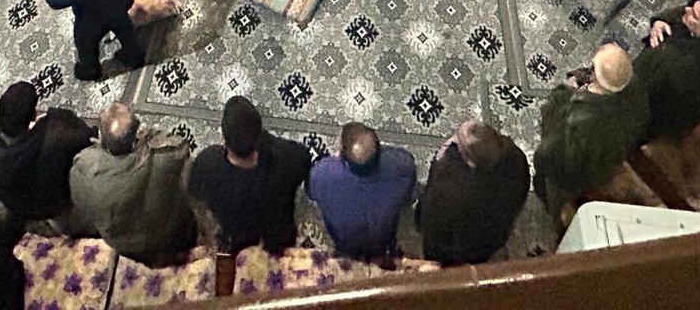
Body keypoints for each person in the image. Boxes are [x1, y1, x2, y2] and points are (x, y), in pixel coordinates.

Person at [68, 102, 197, 267]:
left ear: (101, 136)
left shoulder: (85, 166)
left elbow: (81, 202)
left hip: (126, 246)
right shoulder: (165, 153)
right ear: (135, 134)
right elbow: (181, 146)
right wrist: (148, 135)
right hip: (170, 235)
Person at [533, 45, 650, 223]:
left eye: (592, 65)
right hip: (603, 165)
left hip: (569, 174)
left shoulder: (577, 119)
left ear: (595, 74)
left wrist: (564, 93)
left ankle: (555, 219)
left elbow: (548, 153)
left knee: (554, 195)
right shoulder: (635, 91)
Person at [187, 96, 311, 255]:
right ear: (259, 134)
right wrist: (268, 140)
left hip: (232, 243)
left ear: (224, 138)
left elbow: (195, 196)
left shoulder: (207, 162)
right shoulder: (286, 158)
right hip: (276, 243)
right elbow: (304, 157)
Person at [0, 80, 95, 231]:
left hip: (19, 207)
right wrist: (52, 121)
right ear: (33, 115)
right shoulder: (57, 134)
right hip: (56, 204)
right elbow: (88, 138)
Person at [417, 119, 530, 266]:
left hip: (451, 248)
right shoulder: (516, 160)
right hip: (489, 241)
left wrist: (441, 159)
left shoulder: (448, 183)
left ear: (470, 162)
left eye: (458, 141)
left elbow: (430, 221)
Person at [306, 122, 416, 261]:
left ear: (342, 156)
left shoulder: (321, 174)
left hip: (343, 244)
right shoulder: (402, 168)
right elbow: (407, 160)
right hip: (384, 240)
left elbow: (310, 192)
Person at [635, 0, 700, 140]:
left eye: (694, 15)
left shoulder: (679, 66)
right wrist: (662, 21)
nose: (687, 10)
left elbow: (635, 85)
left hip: (646, 121)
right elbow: (684, 10)